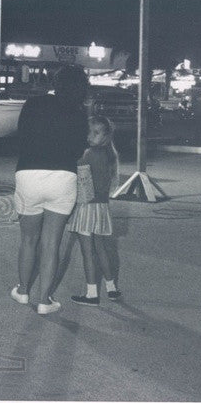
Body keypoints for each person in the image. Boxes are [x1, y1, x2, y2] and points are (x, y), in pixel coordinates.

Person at [11, 65, 89, 315]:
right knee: (51, 243)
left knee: (28, 240)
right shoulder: (79, 113)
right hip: (63, 178)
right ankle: (45, 300)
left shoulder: (33, 104)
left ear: (56, 83)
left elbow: (20, 137)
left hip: (29, 174)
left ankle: (23, 291)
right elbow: (78, 151)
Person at [67, 116, 122, 305]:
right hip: (102, 208)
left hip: (87, 207)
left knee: (87, 252)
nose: (90, 136)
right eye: (89, 132)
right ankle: (111, 288)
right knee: (102, 249)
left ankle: (92, 294)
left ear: (106, 135)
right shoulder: (110, 155)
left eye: (96, 133)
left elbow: (77, 176)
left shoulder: (89, 154)